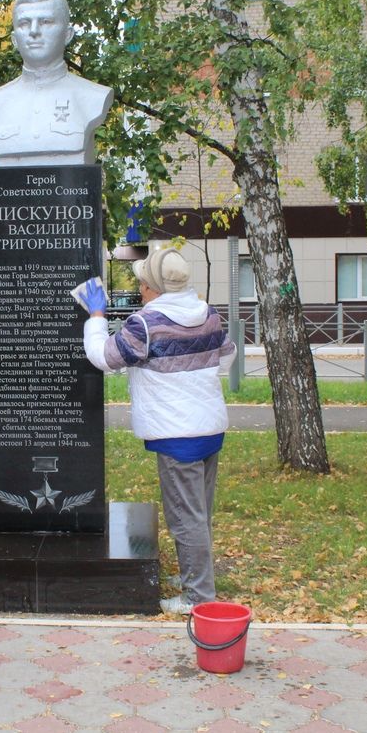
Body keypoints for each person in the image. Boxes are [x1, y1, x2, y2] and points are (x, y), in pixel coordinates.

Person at [77, 248, 234, 615]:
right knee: (199, 513)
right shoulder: (207, 313)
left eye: (143, 282)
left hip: (178, 434)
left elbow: (104, 357)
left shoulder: (145, 324)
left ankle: (198, 598)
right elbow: (226, 355)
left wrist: (96, 315)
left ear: (154, 288)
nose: (140, 287)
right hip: (209, 425)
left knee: (185, 517)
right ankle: (195, 576)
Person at [0, 0, 114, 167]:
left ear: (67, 34)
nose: (34, 31)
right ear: (14, 39)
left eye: (46, 22)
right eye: (24, 23)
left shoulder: (93, 98)